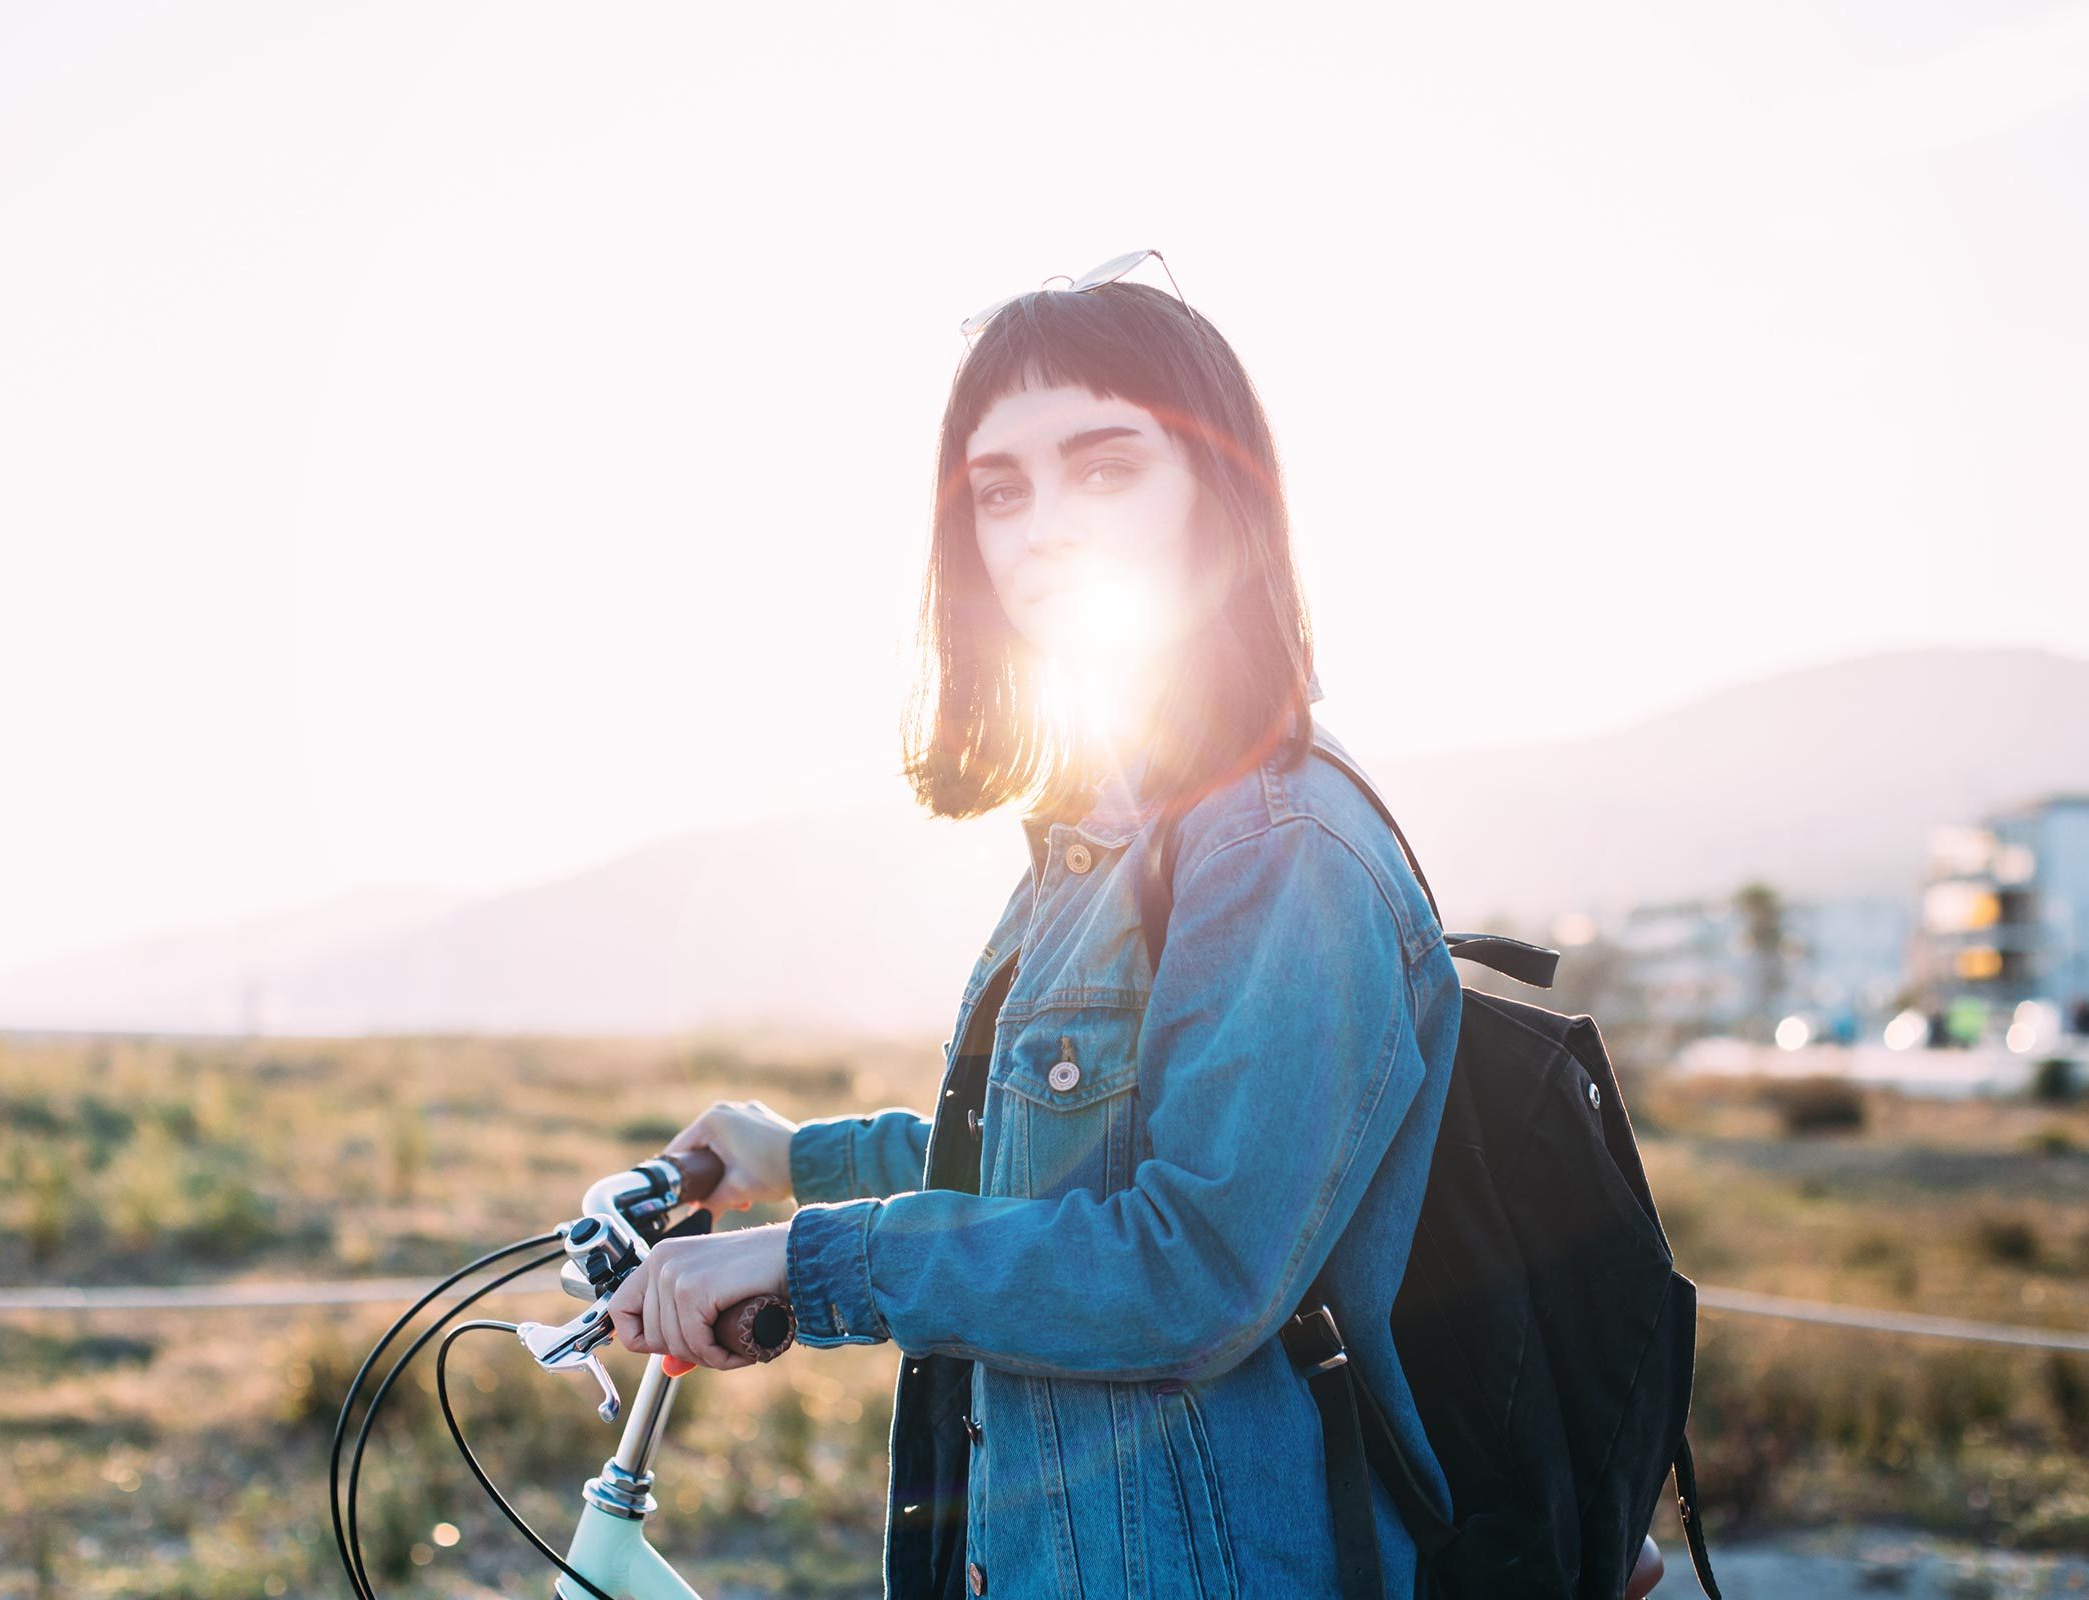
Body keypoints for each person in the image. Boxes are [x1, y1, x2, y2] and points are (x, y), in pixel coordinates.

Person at [606, 255, 1464, 1598]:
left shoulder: (1277, 844)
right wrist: (793, 1161)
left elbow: (1196, 1266)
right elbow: (1048, 1165)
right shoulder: (1111, 829)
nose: (1040, 526)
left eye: (1107, 467)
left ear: (1221, 498)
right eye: (998, 490)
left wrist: (809, 1257)